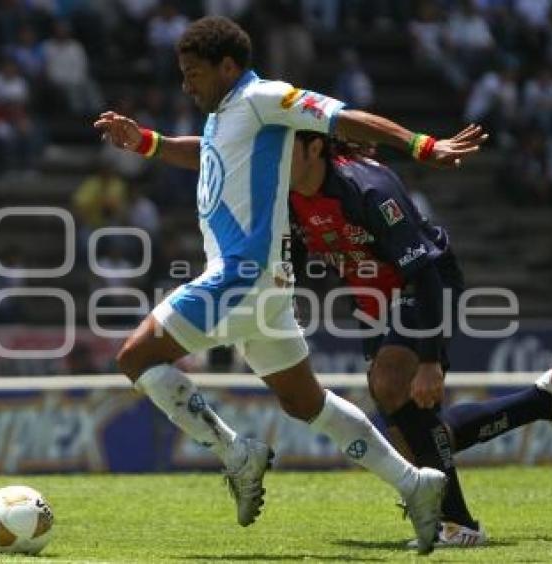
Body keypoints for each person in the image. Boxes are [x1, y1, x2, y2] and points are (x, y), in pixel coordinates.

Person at [94, 16, 486, 553]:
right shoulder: (223, 115)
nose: (186, 84)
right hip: (265, 286)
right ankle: (413, 484)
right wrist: (146, 142)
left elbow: (348, 118)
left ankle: (237, 455)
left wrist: (421, 145)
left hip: (241, 273)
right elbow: (206, 155)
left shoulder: (264, 98)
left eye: (193, 73)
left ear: (228, 66)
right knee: (306, 403)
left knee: (135, 358)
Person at [287, 131, 552, 547]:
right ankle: (542, 401)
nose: (271, 156)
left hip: (425, 286)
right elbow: (293, 262)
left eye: (282, 145)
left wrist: (430, 360)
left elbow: (425, 273)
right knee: (413, 445)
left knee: (390, 385)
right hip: (372, 301)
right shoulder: (286, 196)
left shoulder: (369, 190)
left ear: (313, 147)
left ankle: (459, 523)